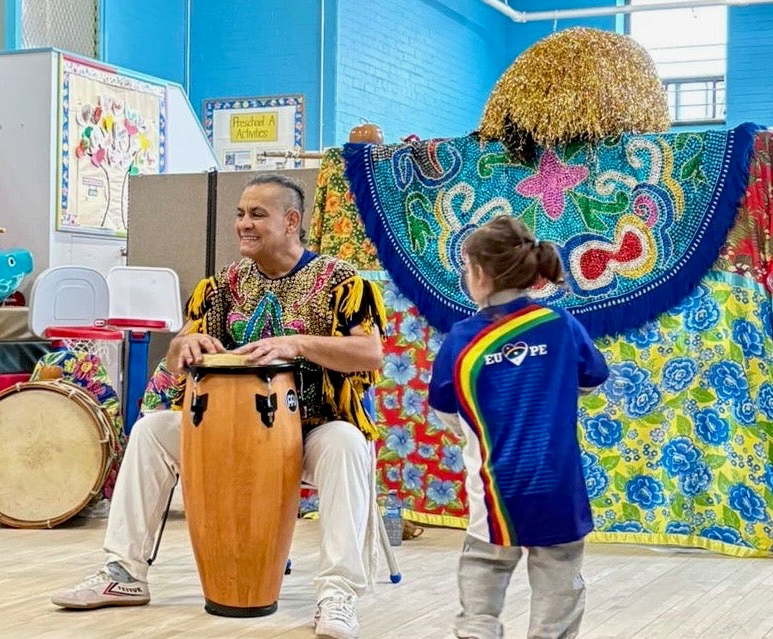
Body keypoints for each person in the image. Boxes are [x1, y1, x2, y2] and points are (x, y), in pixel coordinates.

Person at [50, 174, 385, 639]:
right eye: (240, 214)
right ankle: (124, 574)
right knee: (151, 432)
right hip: (228, 431)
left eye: (257, 215)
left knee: (349, 443)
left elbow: (370, 354)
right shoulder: (222, 285)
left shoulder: (340, 282)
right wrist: (184, 347)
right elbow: (174, 357)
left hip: (311, 432)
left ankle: (337, 593)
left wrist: (296, 344)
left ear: (292, 222)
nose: (243, 224)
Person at [427, 216, 609, 639]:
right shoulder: (561, 325)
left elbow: (446, 409)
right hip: (558, 486)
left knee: (484, 565)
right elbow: (592, 379)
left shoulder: (461, 339)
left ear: (478, 273)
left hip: (495, 488)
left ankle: (478, 630)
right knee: (559, 575)